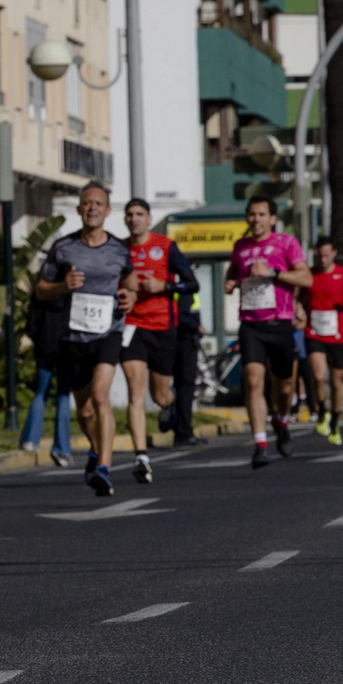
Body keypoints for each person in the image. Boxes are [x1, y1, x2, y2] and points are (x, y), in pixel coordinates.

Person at [33, 181, 135, 496]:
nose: (92, 208)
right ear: (79, 209)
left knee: (101, 397)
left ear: (107, 211)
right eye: (87, 203)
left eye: (98, 204)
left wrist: (129, 296)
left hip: (109, 332)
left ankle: (104, 468)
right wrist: (63, 285)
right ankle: (95, 449)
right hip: (73, 336)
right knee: (86, 410)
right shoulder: (63, 247)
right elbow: (41, 289)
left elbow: (130, 281)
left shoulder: (119, 248)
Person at [223, 197, 312, 468]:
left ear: (272, 218)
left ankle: (281, 421)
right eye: (251, 214)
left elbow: (306, 278)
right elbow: (233, 273)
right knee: (253, 380)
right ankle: (260, 444)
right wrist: (229, 283)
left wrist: (273, 273)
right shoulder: (240, 246)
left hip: (280, 323)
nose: (256, 219)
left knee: (284, 387)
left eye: (261, 214)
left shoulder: (286, 243)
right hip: (251, 324)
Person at [119, 198, 198, 481]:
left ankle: (169, 405)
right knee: (135, 393)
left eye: (139, 214)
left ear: (149, 218)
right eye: (129, 214)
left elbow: (192, 283)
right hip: (131, 325)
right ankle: (141, 455)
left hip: (163, 327)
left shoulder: (165, 247)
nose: (134, 218)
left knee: (159, 394)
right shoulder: (120, 249)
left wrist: (163, 286)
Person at [303, 238, 343, 444]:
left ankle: (335, 420)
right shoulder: (310, 274)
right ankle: (321, 412)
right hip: (314, 332)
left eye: (327, 254)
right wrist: (299, 312)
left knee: (336, 381)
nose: (323, 258)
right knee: (318, 376)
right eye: (320, 255)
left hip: (336, 334)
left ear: (334, 253)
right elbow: (299, 298)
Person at [21, 291, 75, 466]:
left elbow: (32, 319)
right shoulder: (72, 286)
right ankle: (62, 448)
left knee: (40, 392)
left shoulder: (44, 286)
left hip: (45, 343)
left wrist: (36, 336)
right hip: (67, 344)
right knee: (63, 394)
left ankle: (30, 439)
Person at [170, 267, 206, 448]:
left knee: (180, 386)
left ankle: (180, 427)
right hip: (183, 340)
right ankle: (183, 431)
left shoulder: (181, 288)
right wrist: (196, 327)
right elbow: (182, 315)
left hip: (180, 339)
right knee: (185, 386)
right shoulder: (184, 289)